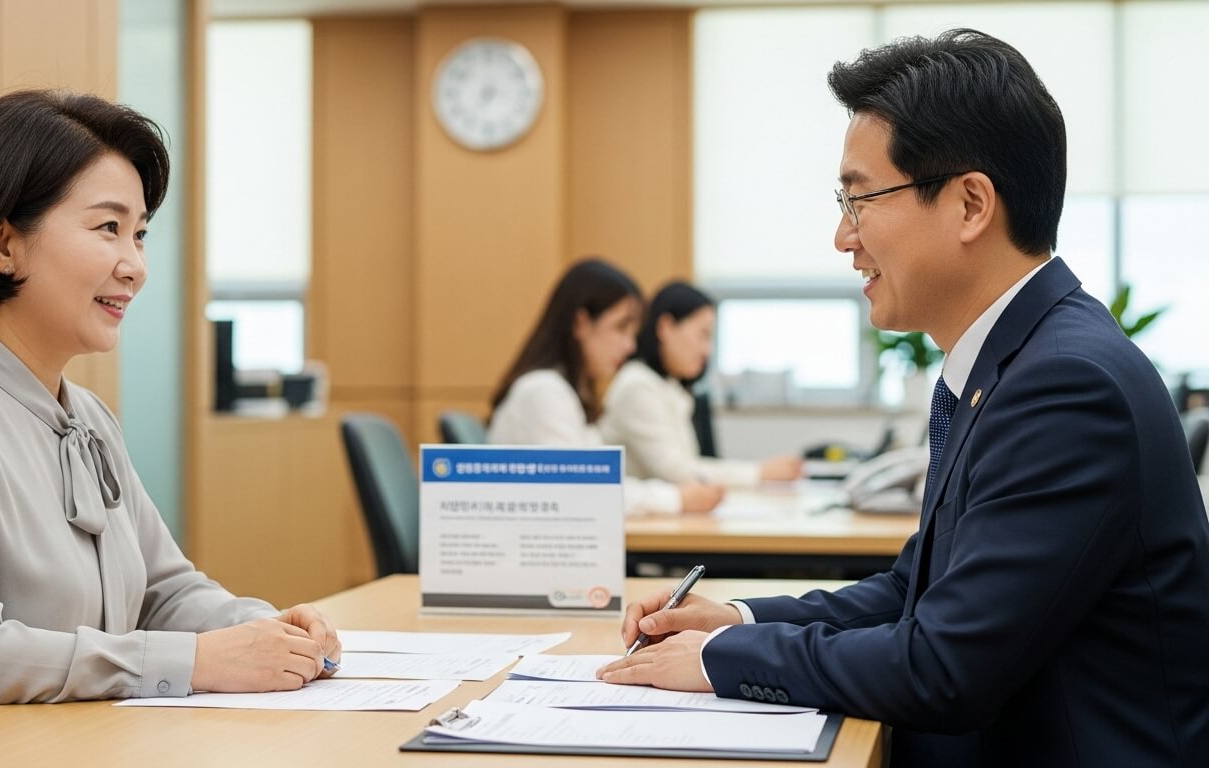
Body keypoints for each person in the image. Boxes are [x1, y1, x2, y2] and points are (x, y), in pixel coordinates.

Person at [599, 29, 1209, 766]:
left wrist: (717, 660)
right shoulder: (1015, 360)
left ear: (970, 204)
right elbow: (912, 591)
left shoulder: (1065, 384)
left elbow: (943, 668)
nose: (842, 237)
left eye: (860, 200)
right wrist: (737, 618)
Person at [0, 91, 341, 762]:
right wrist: (198, 661)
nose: (135, 266)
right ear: (2, 244)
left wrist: (266, 629)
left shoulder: (87, 417)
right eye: (108, 228)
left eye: (139, 234)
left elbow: (164, 591)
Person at [487, 259, 724, 516]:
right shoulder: (543, 392)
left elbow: (593, 485)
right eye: (620, 328)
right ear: (581, 323)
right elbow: (582, 491)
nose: (630, 346)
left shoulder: (566, 392)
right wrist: (676, 499)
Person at [600, 281, 803, 487]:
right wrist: (760, 472)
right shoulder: (637, 386)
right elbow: (678, 472)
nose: (708, 350)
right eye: (703, 335)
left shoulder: (670, 387)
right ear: (666, 326)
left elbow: (690, 466)